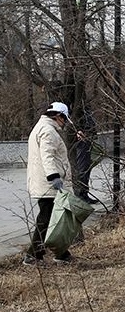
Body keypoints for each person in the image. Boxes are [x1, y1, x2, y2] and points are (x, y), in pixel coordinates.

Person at [24, 102, 75, 265]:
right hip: (49, 184)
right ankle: (33, 256)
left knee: (53, 219)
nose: (64, 123)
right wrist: (55, 178)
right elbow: (48, 156)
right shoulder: (48, 131)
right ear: (58, 116)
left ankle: (61, 254)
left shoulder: (40, 128)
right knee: (47, 220)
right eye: (64, 119)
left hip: (43, 183)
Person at [72, 108, 98, 204]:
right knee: (82, 167)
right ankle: (80, 194)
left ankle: (84, 193)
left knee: (86, 166)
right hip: (80, 137)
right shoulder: (73, 100)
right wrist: (78, 129)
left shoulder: (82, 100)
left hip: (86, 135)